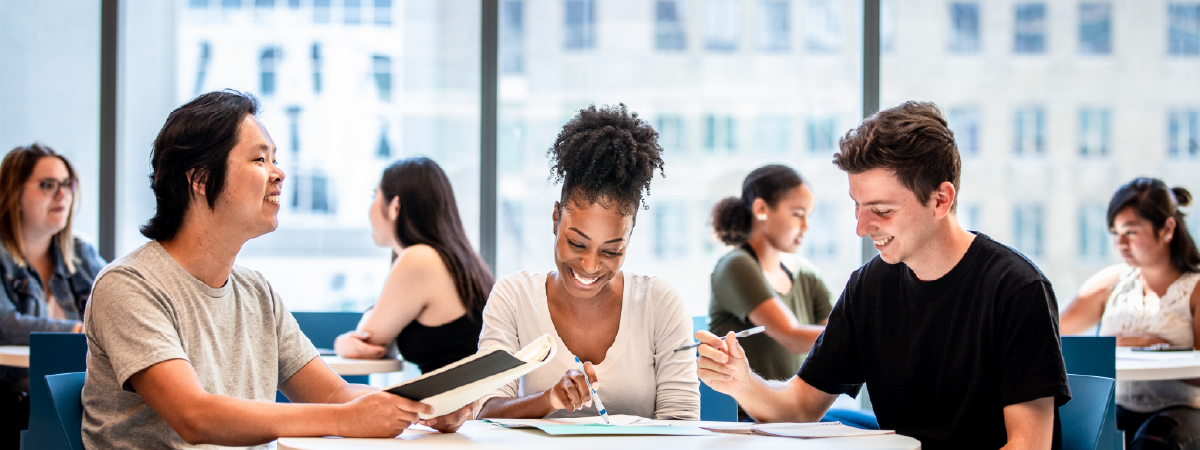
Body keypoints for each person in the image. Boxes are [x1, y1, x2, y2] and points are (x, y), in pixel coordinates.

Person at [81, 90, 471, 448]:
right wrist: (345, 418)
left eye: (275, 158)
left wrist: (426, 405)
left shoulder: (256, 292)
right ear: (200, 178)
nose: (279, 173)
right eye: (259, 159)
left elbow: (334, 395)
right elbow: (194, 416)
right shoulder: (129, 285)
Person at [695, 101, 1071, 450]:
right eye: (857, 206)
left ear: (941, 199)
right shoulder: (869, 287)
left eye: (882, 210)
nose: (861, 227)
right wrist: (742, 382)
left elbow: (1028, 446)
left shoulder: (1016, 289)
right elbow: (799, 407)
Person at [475, 104, 699, 420]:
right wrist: (549, 399)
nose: (590, 265)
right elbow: (485, 411)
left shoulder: (660, 303)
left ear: (630, 238)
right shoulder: (513, 297)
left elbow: (682, 424)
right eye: (577, 243)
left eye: (611, 251)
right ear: (556, 219)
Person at [1060, 177, 1200, 449]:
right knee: (1072, 432)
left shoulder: (1195, 288)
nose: (1120, 243)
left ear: (1168, 228)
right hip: (1120, 405)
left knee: (1155, 440)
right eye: (1115, 233)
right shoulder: (1110, 282)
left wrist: (1152, 349)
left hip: (1183, 408)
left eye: (1131, 232)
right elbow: (1056, 332)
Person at [333, 157, 494, 374]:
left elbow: (368, 341)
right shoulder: (452, 259)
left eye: (375, 196)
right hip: (466, 403)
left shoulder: (419, 259)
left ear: (395, 207)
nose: (370, 208)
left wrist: (341, 344)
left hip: (457, 406)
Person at [0, 143, 106, 447]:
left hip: (78, 391)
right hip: (17, 394)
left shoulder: (79, 252)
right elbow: (6, 323)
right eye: (48, 185)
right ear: (14, 194)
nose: (63, 195)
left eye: (68, 184)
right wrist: (74, 330)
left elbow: (122, 300)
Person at [709, 164, 830, 382]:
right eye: (797, 214)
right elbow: (791, 336)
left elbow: (836, 334)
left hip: (800, 411)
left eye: (808, 216)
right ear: (761, 209)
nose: (805, 227)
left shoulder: (806, 273)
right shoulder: (736, 266)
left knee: (869, 419)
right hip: (750, 414)